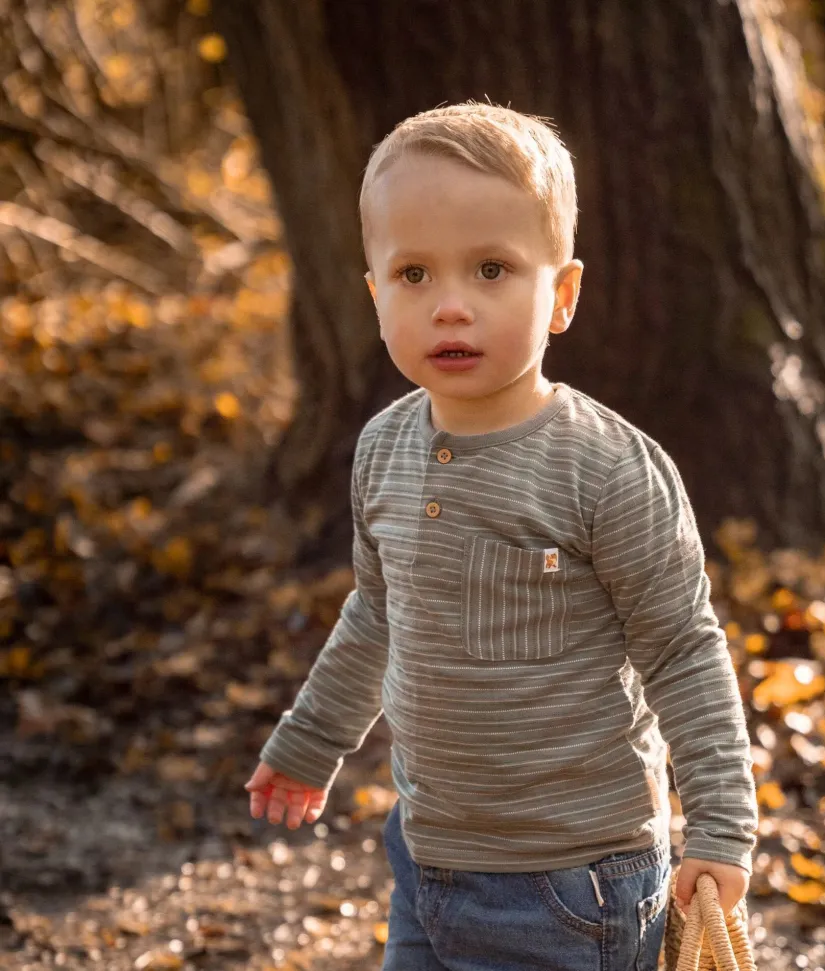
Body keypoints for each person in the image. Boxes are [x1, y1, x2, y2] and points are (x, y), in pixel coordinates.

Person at [245, 102, 758, 971]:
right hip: (426, 857)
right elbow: (376, 616)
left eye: (491, 269)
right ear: (374, 296)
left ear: (560, 295)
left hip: (574, 886)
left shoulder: (606, 469)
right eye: (413, 274)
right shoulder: (382, 449)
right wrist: (309, 740)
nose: (450, 307)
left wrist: (719, 823)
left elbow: (680, 647)